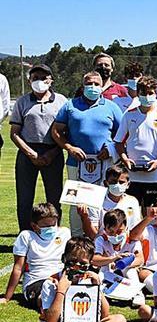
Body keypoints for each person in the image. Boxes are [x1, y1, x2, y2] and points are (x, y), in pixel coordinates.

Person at [51, 71, 123, 236]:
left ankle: (101, 238)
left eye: (96, 84)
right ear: (83, 86)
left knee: (103, 201)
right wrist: (69, 147)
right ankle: (76, 239)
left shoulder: (112, 107)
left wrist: (111, 149)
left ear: (101, 86)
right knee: (77, 202)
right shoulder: (70, 106)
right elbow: (56, 131)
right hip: (76, 164)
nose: (93, 87)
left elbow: (122, 134)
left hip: (104, 163)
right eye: (89, 84)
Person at [37, 237, 127, 322]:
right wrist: (61, 290)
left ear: (90, 264)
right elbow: (51, 320)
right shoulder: (51, 283)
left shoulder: (89, 279)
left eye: (82, 264)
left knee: (119, 320)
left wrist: (97, 288)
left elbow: (105, 315)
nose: (76, 266)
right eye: (72, 261)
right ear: (63, 258)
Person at [11, 64, 67, 231]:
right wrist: (31, 154)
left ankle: (53, 233)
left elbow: (66, 132)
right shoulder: (22, 102)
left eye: (44, 78)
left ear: (51, 80)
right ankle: (26, 235)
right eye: (35, 78)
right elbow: (14, 133)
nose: (40, 81)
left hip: (53, 151)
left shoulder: (61, 101)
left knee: (54, 198)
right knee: (25, 199)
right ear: (29, 81)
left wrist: (52, 153)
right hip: (27, 153)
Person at [114, 75, 157, 210]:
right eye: (143, 93)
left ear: (155, 93)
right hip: (132, 175)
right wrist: (125, 160)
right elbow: (118, 142)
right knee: (130, 213)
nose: (147, 96)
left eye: (150, 93)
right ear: (138, 93)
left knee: (152, 214)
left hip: (153, 176)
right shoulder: (129, 115)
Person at [1, 203, 71, 307]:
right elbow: (18, 268)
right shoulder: (26, 237)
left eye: (53, 224)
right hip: (36, 280)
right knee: (46, 298)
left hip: (59, 277)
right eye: (46, 226)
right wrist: (7, 297)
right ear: (34, 226)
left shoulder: (65, 233)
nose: (51, 228)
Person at [92, 209, 144, 299]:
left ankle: (138, 294)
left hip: (126, 270)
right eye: (111, 232)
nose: (115, 235)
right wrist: (112, 259)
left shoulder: (132, 240)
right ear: (105, 229)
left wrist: (123, 263)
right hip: (108, 270)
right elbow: (94, 259)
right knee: (104, 268)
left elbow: (140, 259)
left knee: (130, 271)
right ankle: (100, 291)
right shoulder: (100, 240)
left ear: (126, 228)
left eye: (119, 231)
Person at [92, 165, 142, 236]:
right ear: (106, 183)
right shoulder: (97, 201)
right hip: (103, 242)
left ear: (128, 184)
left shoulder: (133, 201)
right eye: (113, 182)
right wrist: (84, 217)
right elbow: (93, 234)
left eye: (121, 182)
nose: (117, 185)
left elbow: (135, 227)